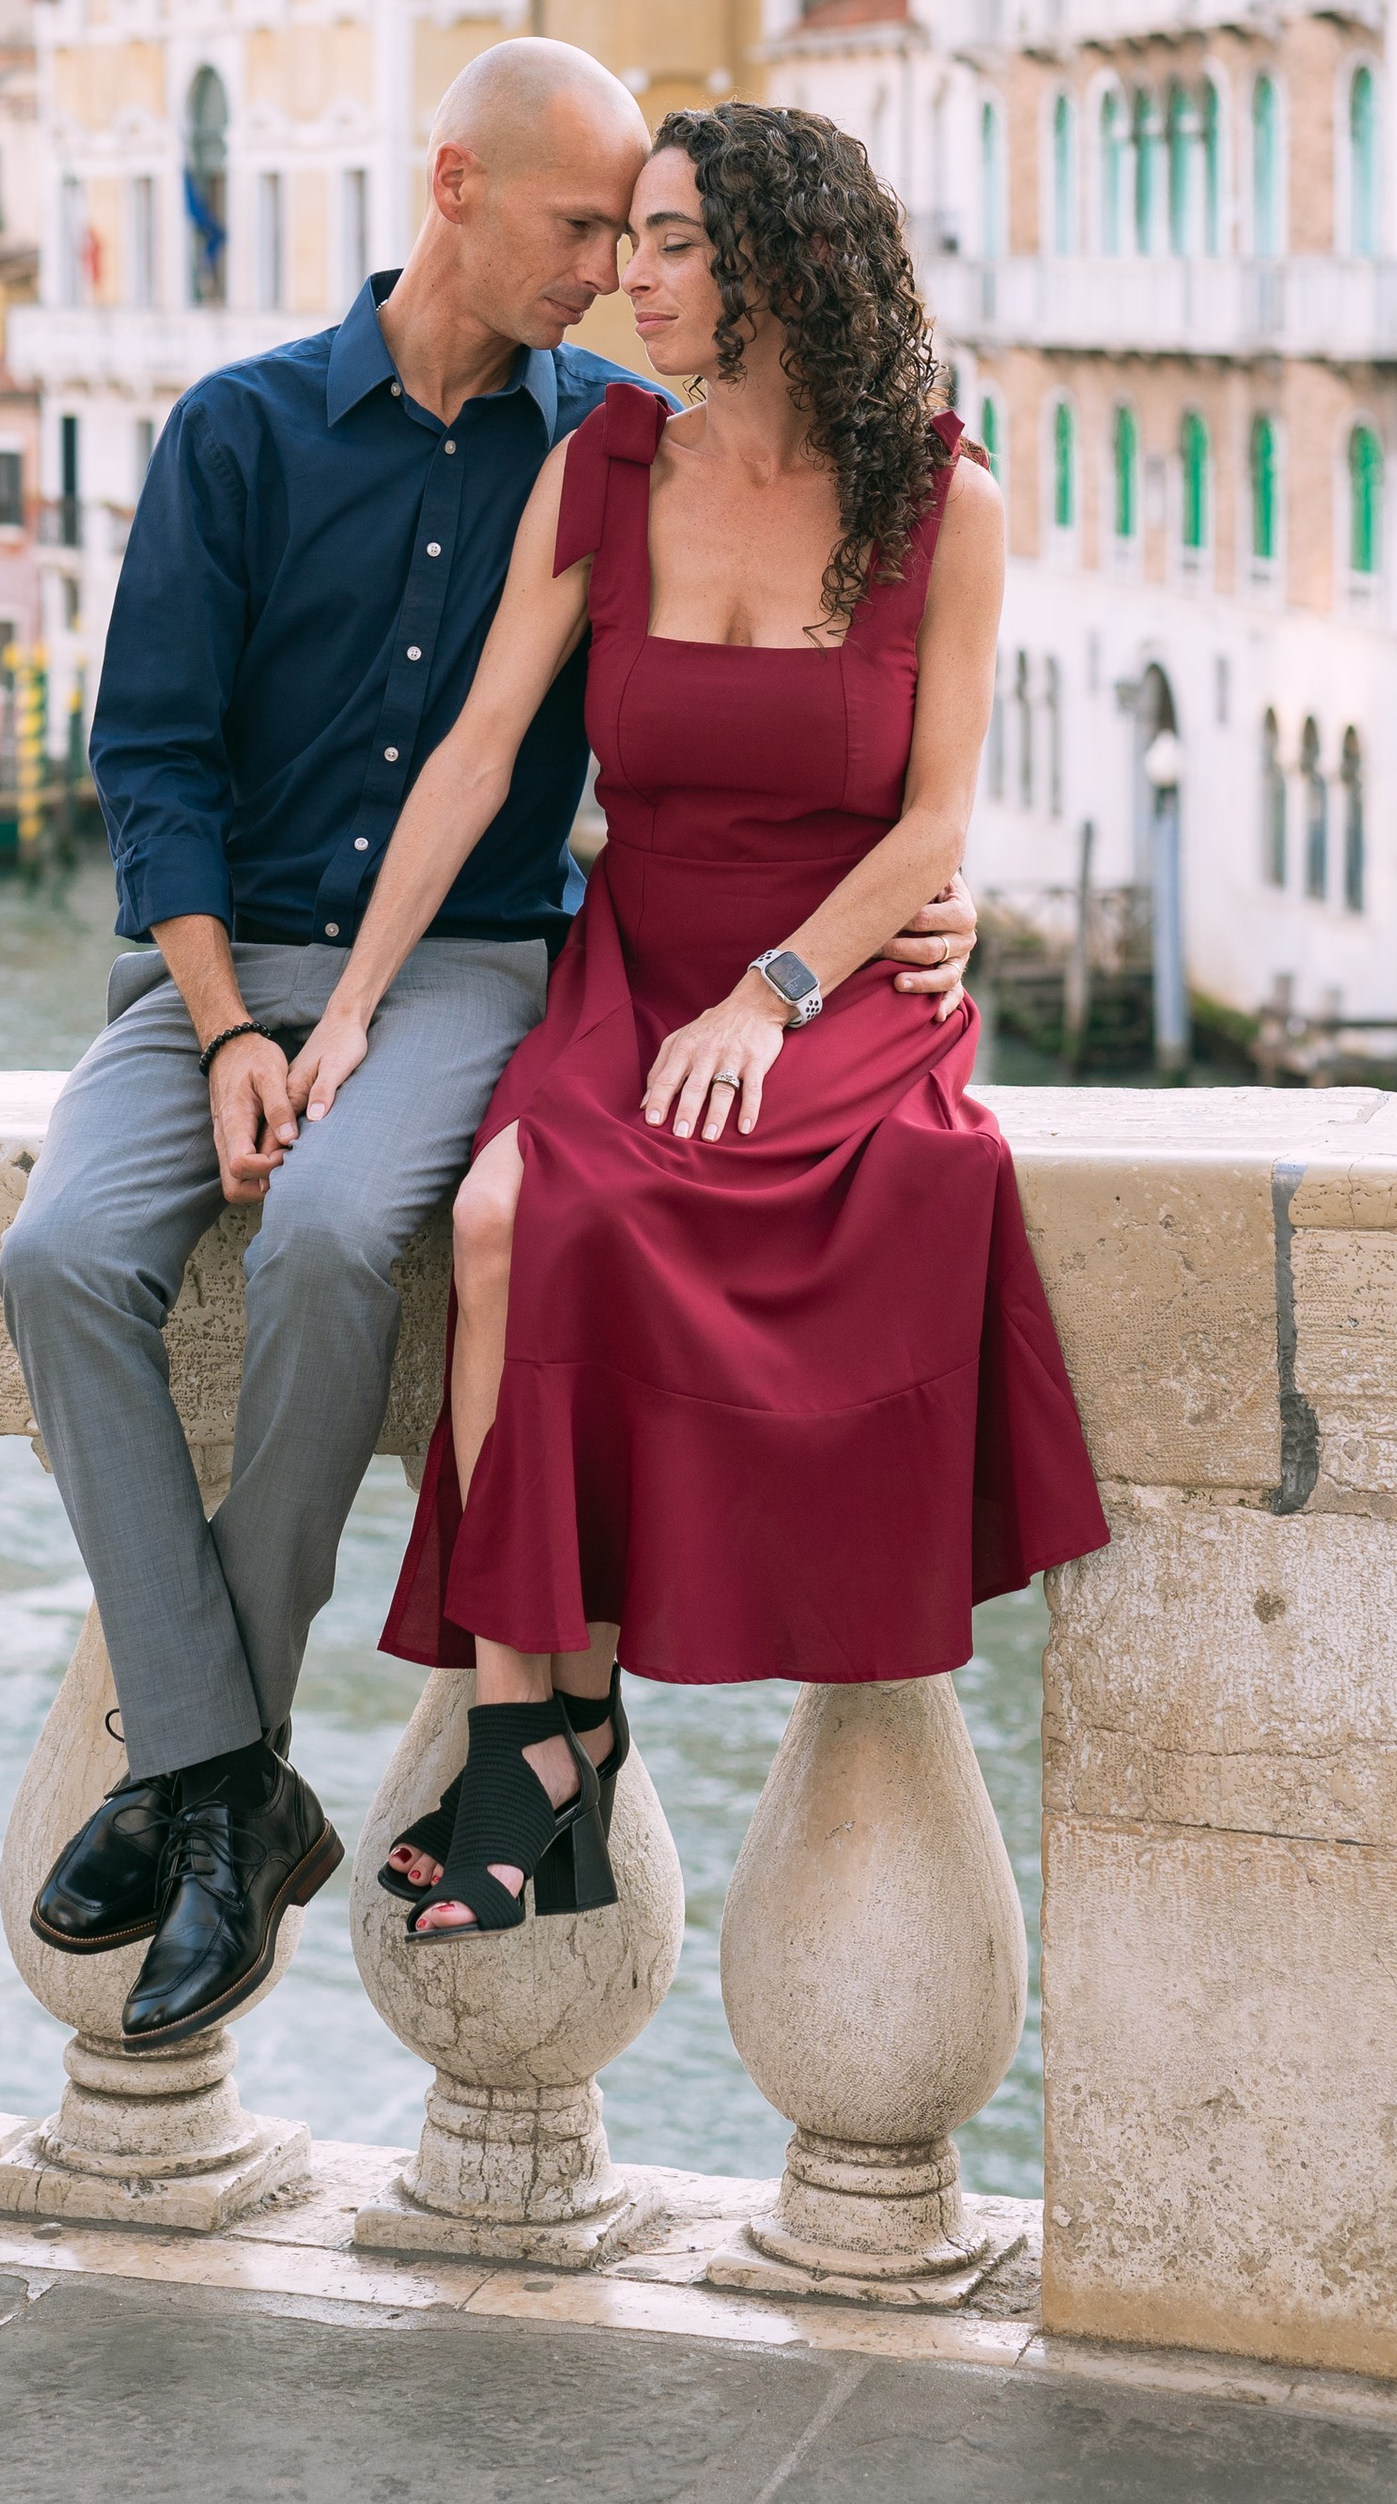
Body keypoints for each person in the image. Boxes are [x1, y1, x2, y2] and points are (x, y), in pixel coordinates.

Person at [0, 51, 984, 2043]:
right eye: (590, 227)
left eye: (652, 236)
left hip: (482, 964)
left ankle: (250, 1769)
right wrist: (236, 1022)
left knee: (337, 1236)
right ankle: (221, 1773)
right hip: (219, 971)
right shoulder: (244, 431)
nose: (616, 271)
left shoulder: (613, 437)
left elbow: (857, 757)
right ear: (454, 186)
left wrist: (885, 934)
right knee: (54, 1259)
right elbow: (155, 765)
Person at [286, 99, 1108, 1937]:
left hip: (835, 974)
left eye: (671, 247)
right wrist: (350, 1009)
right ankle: (541, 1723)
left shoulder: (944, 501)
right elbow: (477, 751)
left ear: (781, 271)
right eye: (626, 241)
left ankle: (547, 1761)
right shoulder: (604, 470)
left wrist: (776, 994)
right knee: (503, 1213)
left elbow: (935, 828)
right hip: (641, 957)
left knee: (769, 1209)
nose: (627, 283)